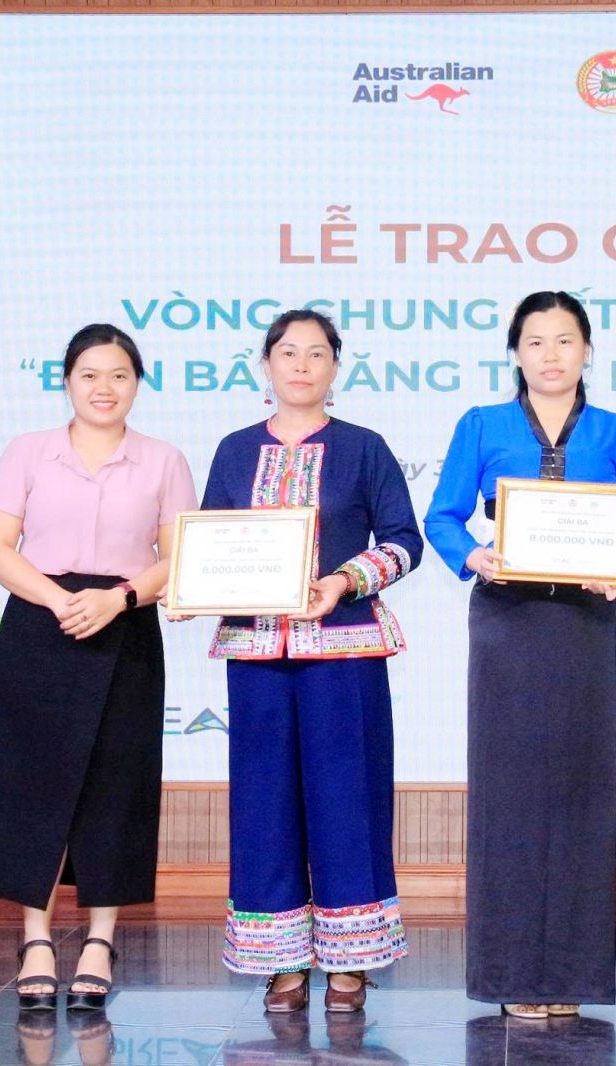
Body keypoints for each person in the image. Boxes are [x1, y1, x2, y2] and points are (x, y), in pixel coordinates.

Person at [424, 290, 616, 1019]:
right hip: (508, 620)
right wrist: (475, 557)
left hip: (586, 621)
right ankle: (513, 977)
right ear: (515, 353)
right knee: (509, 794)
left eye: (564, 340)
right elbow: (442, 516)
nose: (550, 355)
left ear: (587, 350)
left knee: (582, 790)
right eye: (535, 341)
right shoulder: (482, 423)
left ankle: (572, 979)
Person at [196, 309, 422, 1013]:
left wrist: (344, 581)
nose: (301, 365)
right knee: (263, 802)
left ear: (335, 367)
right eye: (288, 352)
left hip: (343, 650)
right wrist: (192, 587)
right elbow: (211, 542)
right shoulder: (235, 450)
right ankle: (282, 960)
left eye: (316, 353)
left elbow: (404, 541)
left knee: (347, 798)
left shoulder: (364, 448)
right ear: (265, 364)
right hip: (257, 652)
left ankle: (351, 961)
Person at [0, 324, 195, 1012]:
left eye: (119, 375)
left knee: (117, 782)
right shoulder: (27, 451)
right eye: (90, 374)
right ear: (66, 380)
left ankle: (100, 939)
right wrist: (60, 600)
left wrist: (117, 598)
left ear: (137, 383)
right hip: (41, 622)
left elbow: (180, 556)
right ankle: (35, 938)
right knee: (30, 779)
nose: (105, 388)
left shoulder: (163, 460)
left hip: (124, 625)